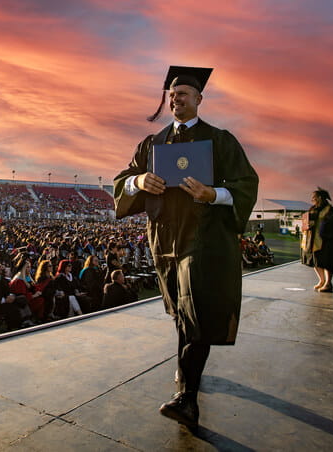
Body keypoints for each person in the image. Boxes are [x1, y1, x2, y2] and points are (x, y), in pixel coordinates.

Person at [113, 65, 258, 431]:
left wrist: (214, 194)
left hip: (202, 239)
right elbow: (122, 180)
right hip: (162, 239)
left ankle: (188, 399)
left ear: (199, 99)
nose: (176, 100)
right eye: (172, 95)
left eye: (183, 95)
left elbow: (245, 183)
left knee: (197, 309)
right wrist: (138, 180)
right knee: (181, 312)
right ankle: (186, 378)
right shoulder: (152, 143)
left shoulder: (220, 140)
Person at [301, 188, 333, 292]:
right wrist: (308, 225)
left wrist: (318, 225)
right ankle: (321, 281)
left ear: (320, 198)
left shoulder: (330, 210)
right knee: (315, 262)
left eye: (314, 198)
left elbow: (332, 226)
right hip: (313, 241)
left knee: (326, 262)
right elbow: (308, 221)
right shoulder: (312, 208)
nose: (312, 199)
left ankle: (328, 283)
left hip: (326, 241)